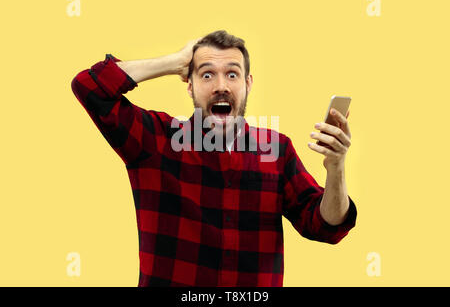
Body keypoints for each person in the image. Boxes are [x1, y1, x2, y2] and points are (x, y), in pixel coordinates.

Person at [71, 30, 357, 287]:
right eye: (206, 75)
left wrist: (336, 168)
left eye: (232, 74)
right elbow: (90, 88)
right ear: (190, 85)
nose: (221, 86)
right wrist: (174, 61)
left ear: (248, 84)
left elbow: (326, 227)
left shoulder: (277, 150)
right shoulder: (156, 140)